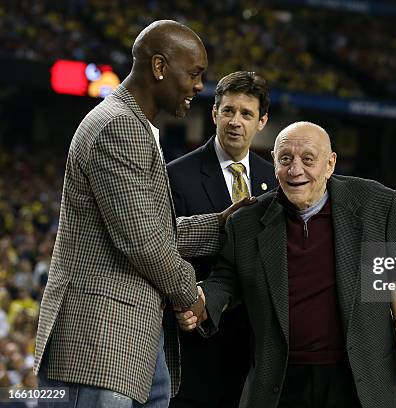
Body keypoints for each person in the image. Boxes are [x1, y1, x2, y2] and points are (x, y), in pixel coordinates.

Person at [34, 20, 251, 407]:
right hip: (98, 342)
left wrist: (219, 224)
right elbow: (144, 242)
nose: (200, 86)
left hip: (132, 340)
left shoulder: (136, 125)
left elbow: (153, 228)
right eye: (195, 73)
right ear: (159, 67)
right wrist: (193, 297)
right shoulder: (120, 126)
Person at [177, 121, 396, 408]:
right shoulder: (246, 223)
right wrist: (203, 301)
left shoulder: (376, 204)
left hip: (358, 381)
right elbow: (226, 280)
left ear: (330, 164)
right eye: (285, 159)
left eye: (308, 159)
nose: (295, 170)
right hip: (281, 383)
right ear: (274, 163)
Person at [167, 71, 278, 408]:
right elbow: (165, 245)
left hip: (254, 353)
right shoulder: (176, 174)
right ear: (214, 114)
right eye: (228, 111)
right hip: (195, 349)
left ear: (262, 122)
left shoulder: (274, 180)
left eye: (246, 114)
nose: (235, 121)